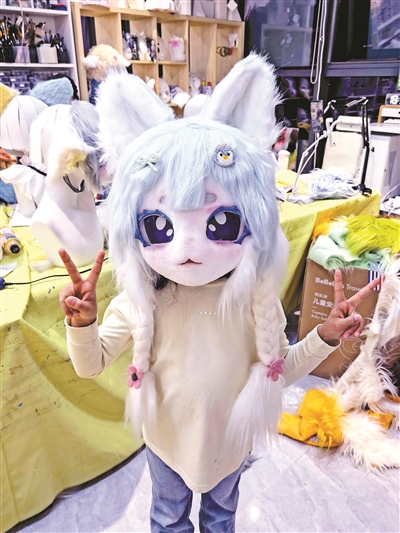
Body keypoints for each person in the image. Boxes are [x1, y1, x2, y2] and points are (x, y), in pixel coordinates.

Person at [58, 55, 380, 533]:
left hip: (230, 442)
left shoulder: (253, 298)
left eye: (222, 222)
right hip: (166, 441)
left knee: (221, 518)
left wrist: (324, 336)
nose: (187, 249)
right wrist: (83, 324)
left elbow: (278, 369)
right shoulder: (143, 298)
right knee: (168, 519)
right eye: (159, 226)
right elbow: (91, 364)